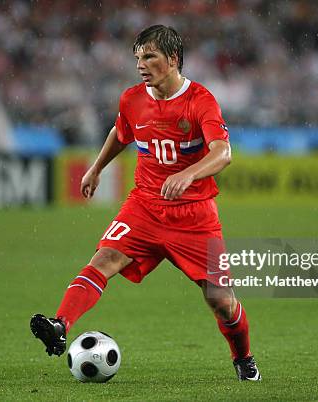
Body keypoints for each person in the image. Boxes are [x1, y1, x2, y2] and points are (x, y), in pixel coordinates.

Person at [30, 25, 261, 381]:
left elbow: (223, 153)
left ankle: (243, 358)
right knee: (103, 259)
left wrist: (190, 174)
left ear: (172, 60)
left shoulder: (200, 100)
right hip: (145, 206)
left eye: (149, 56)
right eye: (137, 57)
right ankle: (61, 324)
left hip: (194, 216)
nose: (141, 64)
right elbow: (121, 132)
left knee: (221, 301)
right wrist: (96, 167)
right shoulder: (132, 99)